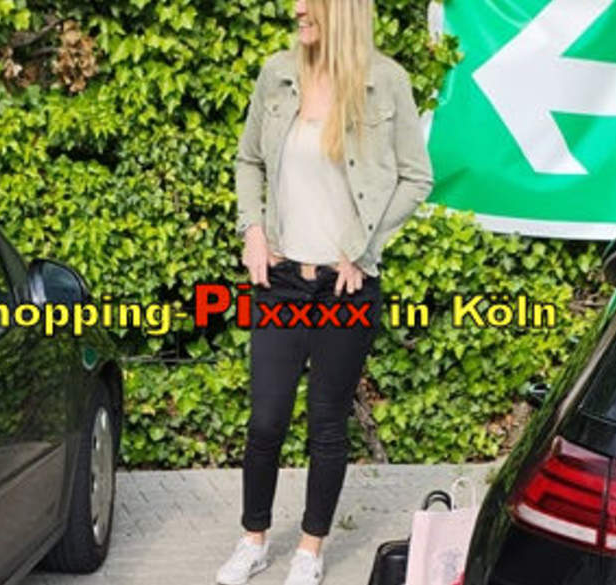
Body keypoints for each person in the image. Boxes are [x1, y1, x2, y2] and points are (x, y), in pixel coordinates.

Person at [216, 1, 433, 584]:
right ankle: (253, 539)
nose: (297, 9)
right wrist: (253, 230)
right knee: (266, 421)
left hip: (346, 286)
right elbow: (248, 159)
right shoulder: (277, 73)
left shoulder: (386, 82)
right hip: (281, 281)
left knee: (327, 423)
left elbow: (417, 177)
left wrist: (363, 248)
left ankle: (310, 550)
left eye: (310, 2)